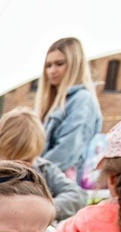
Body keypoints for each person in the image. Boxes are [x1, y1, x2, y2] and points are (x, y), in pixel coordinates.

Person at [0, 106, 86, 221]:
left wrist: (44, 209)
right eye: (12, 161)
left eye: (27, 161)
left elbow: (77, 196)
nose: (20, 167)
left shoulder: (44, 169)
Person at [35, 37, 102, 184]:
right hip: (47, 181)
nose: (52, 71)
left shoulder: (82, 100)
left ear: (75, 65)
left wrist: (31, 174)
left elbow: (67, 151)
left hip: (61, 186)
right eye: (48, 65)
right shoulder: (54, 101)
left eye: (59, 64)